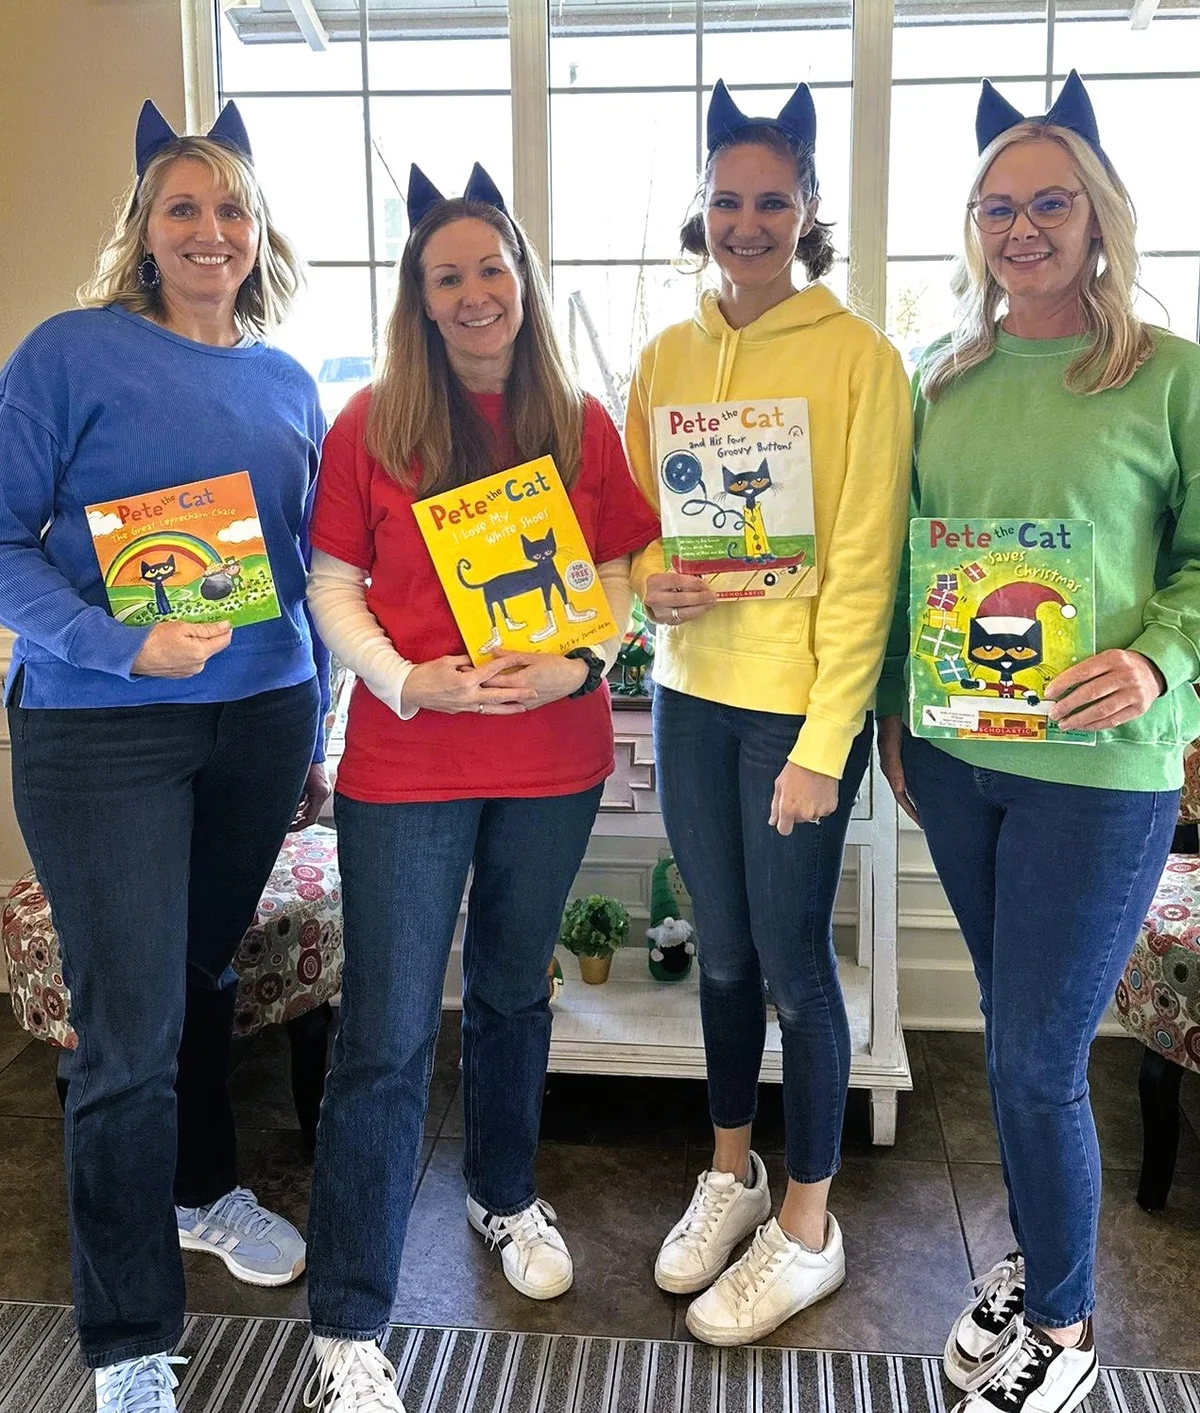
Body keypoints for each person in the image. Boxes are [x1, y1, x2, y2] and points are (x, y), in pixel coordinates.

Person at [301, 162, 660, 1413]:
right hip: (407, 765)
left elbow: (618, 568)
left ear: (523, 281)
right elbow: (330, 587)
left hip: (550, 762)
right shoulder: (371, 423)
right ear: (419, 293)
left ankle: (504, 1194)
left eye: (490, 270)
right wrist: (408, 682)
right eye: (445, 276)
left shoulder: (581, 420)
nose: (472, 294)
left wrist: (579, 661)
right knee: (388, 1035)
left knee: (513, 993)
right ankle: (348, 1315)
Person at [876, 72, 1200, 1413]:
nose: (1024, 226)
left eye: (1050, 200)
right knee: (1021, 1038)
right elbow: (903, 563)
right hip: (956, 761)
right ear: (972, 226)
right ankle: (1037, 1258)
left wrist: (1153, 656)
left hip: (1099, 778)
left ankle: (1065, 1328)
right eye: (998, 206)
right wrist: (896, 707)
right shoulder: (939, 379)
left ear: (1099, 214)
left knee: (1031, 1058)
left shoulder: (1167, 375)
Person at [0, 100, 330, 1413]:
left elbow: (314, 568)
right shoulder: (68, 354)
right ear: (142, 226)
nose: (209, 230)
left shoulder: (289, 380)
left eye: (232, 209)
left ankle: (200, 1190)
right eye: (181, 207)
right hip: (100, 730)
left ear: (259, 234)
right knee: (125, 1035)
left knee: (193, 974)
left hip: (262, 717)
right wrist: (116, 642)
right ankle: (127, 1337)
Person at [624, 81, 911, 1347]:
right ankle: (730, 1175)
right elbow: (631, 531)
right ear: (704, 209)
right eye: (728, 199)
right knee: (724, 957)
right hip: (691, 703)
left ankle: (809, 1226)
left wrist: (824, 745)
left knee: (797, 966)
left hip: (792, 721)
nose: (749, 222)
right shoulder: (666, 357)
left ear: (806, 212)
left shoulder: (860, 360)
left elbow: (864, 568)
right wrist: (649, 581)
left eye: (774, 201)